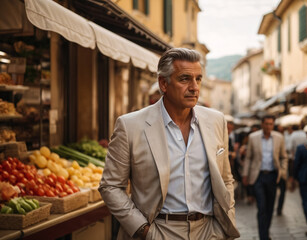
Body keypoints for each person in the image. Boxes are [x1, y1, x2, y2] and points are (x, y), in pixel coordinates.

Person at [99, 48, 240, 240]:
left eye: (198, 79)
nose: (194, 87)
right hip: (159, 231)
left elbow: (225, 179)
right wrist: (144, 230)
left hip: (209, 231)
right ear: (163, 84)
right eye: (184, 79)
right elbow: (111, 186)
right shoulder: (130, 125)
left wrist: (222, 225)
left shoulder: (216, 120)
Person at [242, 115, 288, 240]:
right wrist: (245, 174)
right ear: (262, 124)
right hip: (258, 176)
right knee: (261, 207)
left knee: (270, 207)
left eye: (271, 124)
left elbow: (284, 157)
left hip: (273, 176)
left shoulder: (279, 137)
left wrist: (283, 172)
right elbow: (249, 157)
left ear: (273, 125)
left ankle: (265, 232)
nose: (268, 126)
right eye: (266, 124)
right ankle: (263, 237)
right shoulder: (253, 137)